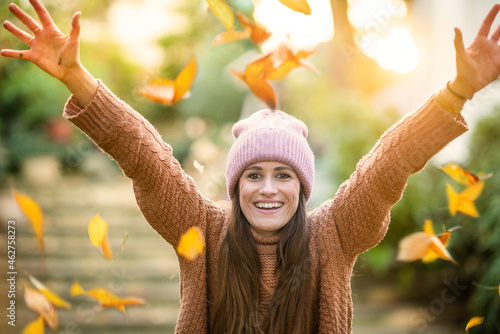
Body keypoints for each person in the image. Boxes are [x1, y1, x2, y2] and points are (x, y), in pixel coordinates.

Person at [2, 0, 500, 333]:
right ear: (235, 183)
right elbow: (146, 157)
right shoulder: (200, 227)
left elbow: (386, 166)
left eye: (284, 175)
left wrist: (457, 92)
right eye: (253, 174)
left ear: (303, 187)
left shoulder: (335, 233)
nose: (267, 189)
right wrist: (79, 79)